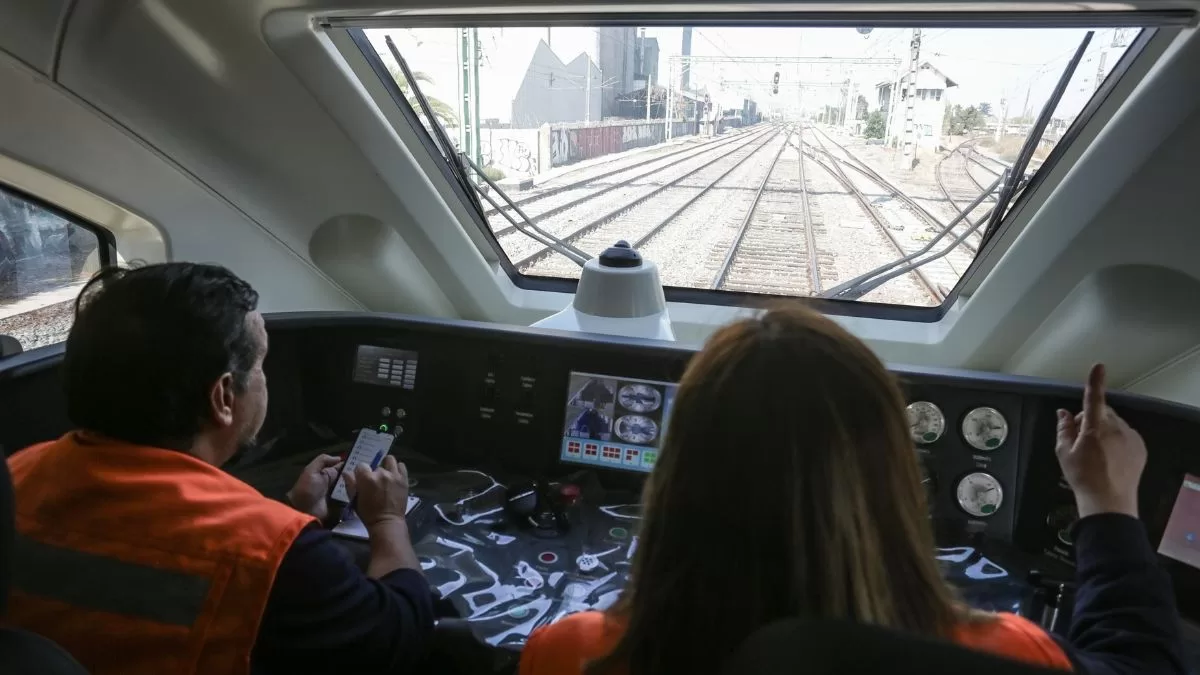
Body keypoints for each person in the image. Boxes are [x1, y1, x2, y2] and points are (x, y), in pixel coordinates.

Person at [519, 306, 1186, 675]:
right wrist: (1108, 504)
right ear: (894, 481)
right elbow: (1140, 663)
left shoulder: (570, 654)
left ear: (675, 481)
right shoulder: (1006, 655)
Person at [4, 263, 433, 675]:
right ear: (224, 396)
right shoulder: (269, 549)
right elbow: (396, 638)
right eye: (261, 364)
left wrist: (297, 514)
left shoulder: (16, 475)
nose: (265, 378)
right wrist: (388, 519)